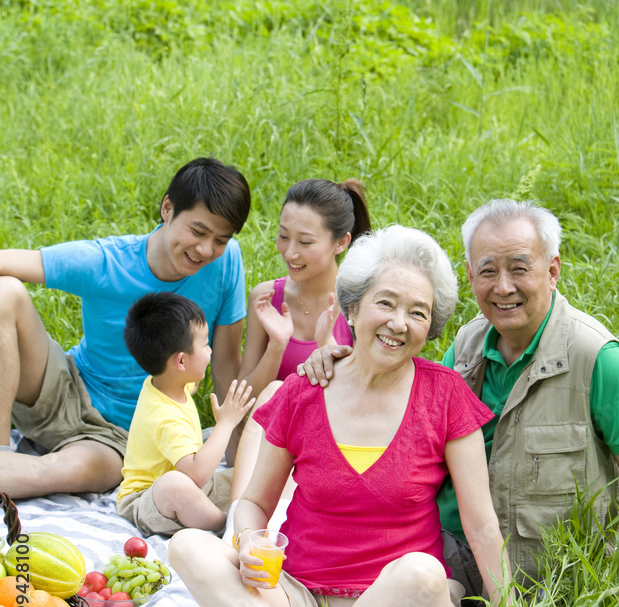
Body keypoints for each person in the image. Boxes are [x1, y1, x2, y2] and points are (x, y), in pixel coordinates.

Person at [170, 226, 512, 607]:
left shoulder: (445, 396)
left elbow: (481, 527)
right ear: (351, 308)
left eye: (418, 313)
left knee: (424, 573)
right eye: (385, 303)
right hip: (298, 601)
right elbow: (255, 503)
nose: (398, 323)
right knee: (188, 546)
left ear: (431, 326)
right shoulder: (304, 392)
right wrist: (250, 541)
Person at [300, 199, 619, 592]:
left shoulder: (601, 362)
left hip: (543, 575)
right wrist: (344, 363)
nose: (503, 287)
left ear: (553, 271)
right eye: (488, 271)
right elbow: (399, 394)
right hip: (441, 552)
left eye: (520, 269)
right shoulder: (465, 345)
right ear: (471, 275)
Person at [0, 157, 251, 501]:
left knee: (70, 472)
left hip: (123, 436)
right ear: (167, 208)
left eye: (220, 239)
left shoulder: (227, 263)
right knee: (6, 293)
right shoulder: (106, 262)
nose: (206, 250)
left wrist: (238, 469)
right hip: (63, 389)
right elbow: (8, 261)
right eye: (197, 231)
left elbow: (224, 364)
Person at [228, 178, 371, 495]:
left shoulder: (361, 306)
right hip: (268, 448)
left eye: (305, 242)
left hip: (332, 450)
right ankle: (242, 521)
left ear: (341, 243)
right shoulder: (266, 297)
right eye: (283, 236)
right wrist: (276, 346)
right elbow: (244, 401)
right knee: (277, 390)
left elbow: (367, 401)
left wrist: (326, 346)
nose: (290, 252)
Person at [117, 293, 255, 535]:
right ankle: (227, 527)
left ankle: (243, 512)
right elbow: (198, 474)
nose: (210, 351)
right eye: (205, 344)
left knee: (254, 474)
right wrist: (226, 423)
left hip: (196, 488)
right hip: (150, 501)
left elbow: (199, 480)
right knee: (175, 486)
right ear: (181, 362)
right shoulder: (164, 417)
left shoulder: (167, 382)